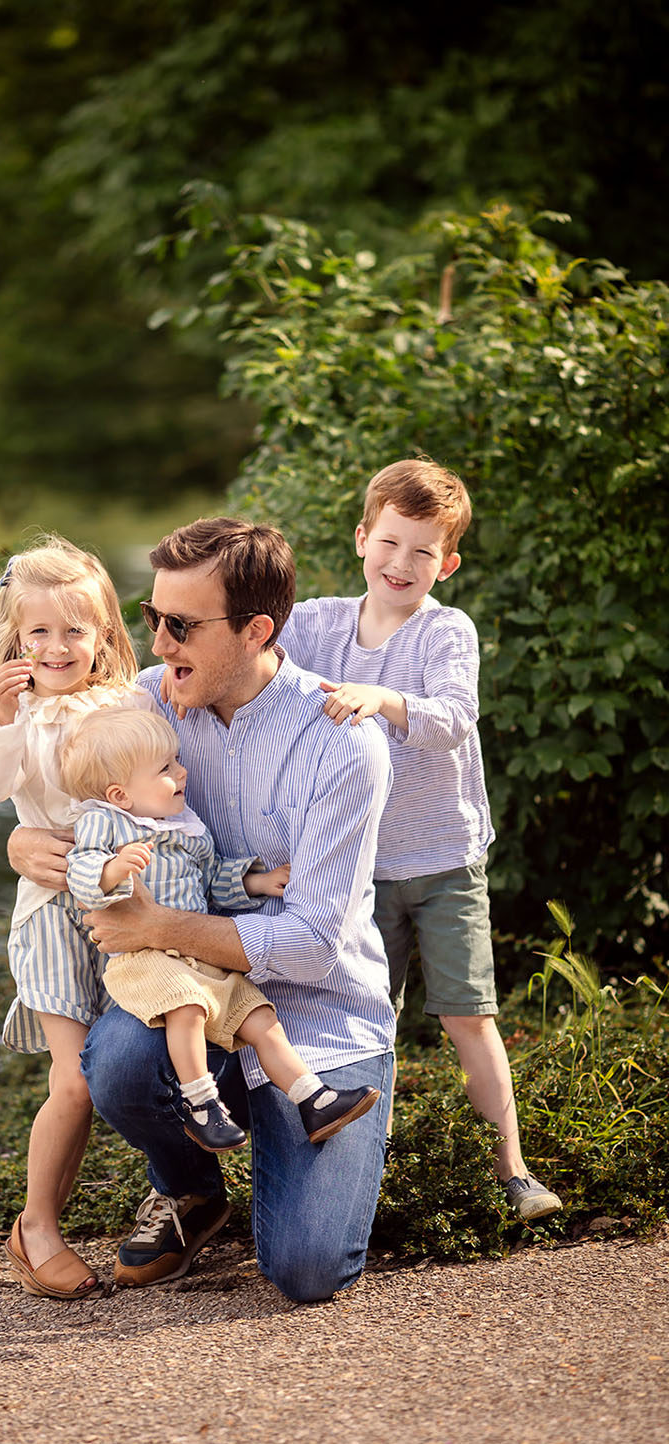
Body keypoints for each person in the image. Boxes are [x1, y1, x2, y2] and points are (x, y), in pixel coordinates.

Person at [8, 517, 396, 1302]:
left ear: (257, 630)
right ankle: (189, 1187)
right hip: (187, 997)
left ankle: (295, 1133)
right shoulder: (145, 706)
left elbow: (314, 944)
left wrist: (160, 927)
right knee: (113, 1063)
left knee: (307, 1270)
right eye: (153, 618)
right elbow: (69, 795)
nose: (156, 645)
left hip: (315, 1020)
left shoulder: (343, 744)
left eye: (180, 626)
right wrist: (22, 843)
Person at [278, 457, 562, 1222]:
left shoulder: (447, 630)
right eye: (391, 543)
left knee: (469, 1014)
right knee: (368, 1018)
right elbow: (261, 670)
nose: (403, 564)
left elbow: (450, 720)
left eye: (424, 551)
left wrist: (386, 699)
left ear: (449, 561)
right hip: (355, 870)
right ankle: (371, 1178)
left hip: (441, 861)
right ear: (363, 537)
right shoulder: (314, 624)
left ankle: (513, 1169)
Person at [0, 534, 155, 1300]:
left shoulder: (129, 701)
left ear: (104, 632)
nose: (57, 645)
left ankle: (173, 1190)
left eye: (75, 629)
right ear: (16, 639)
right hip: (49, 910)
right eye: (38, 631)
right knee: (72, 1080)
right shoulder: (16, 714)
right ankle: (36, 1225)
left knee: (122, 1065)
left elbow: (159, 786)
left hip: (122, 902)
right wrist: (0, 713)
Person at [60, 707, 380, 1152]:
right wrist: (112, 870)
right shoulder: (106, 823)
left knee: (259, 1016)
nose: (182, 771)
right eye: (166, 768)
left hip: (202, 957)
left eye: (176, 760)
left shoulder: (185, 827)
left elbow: (210, 879)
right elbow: (81, 871)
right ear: (120, 794)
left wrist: (255, 882)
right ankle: (202, 1103)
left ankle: (313, 1098)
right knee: (188, 1008)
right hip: (145, 961)